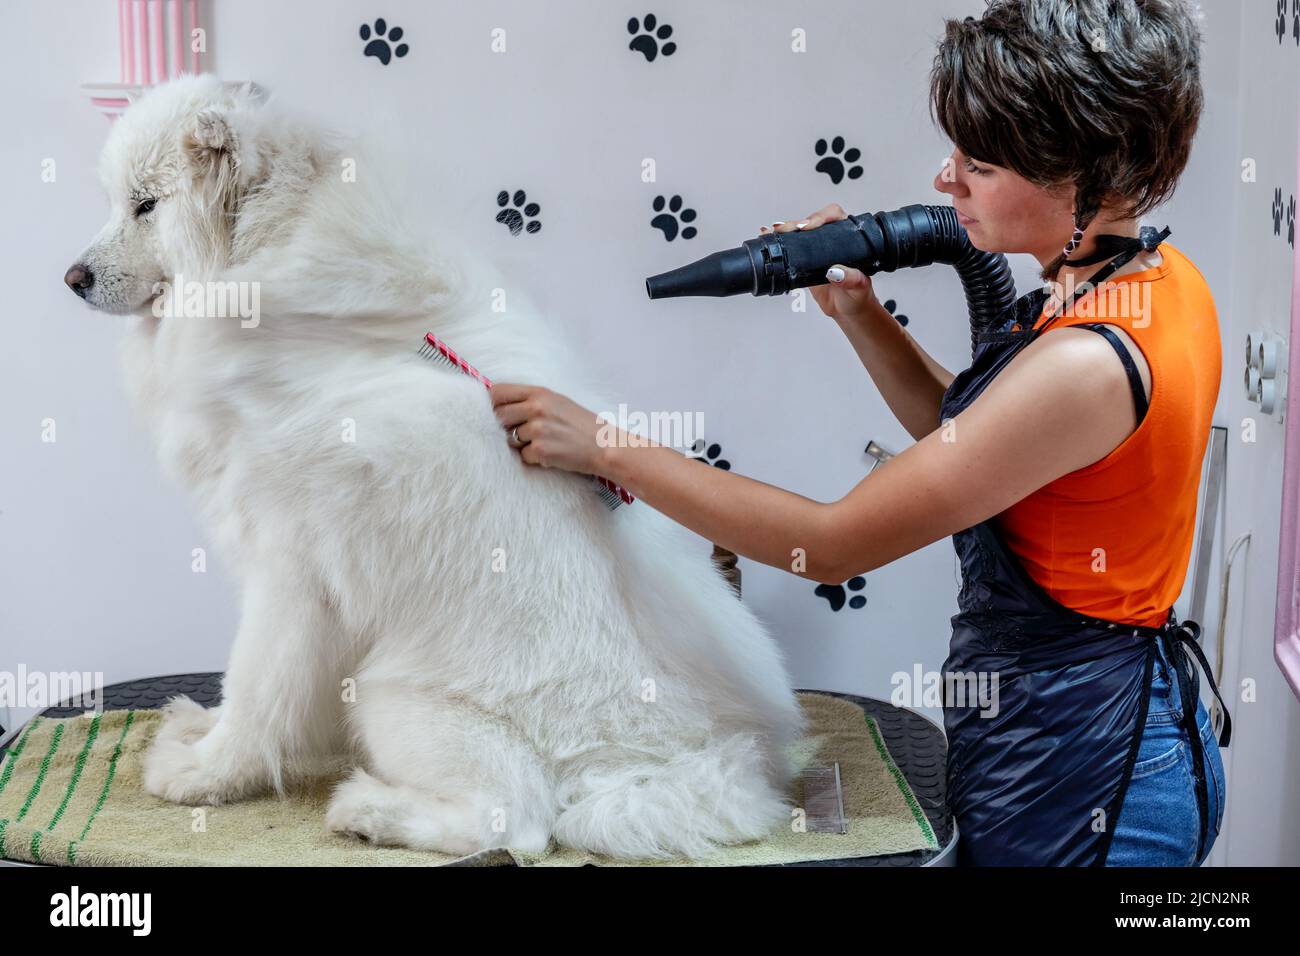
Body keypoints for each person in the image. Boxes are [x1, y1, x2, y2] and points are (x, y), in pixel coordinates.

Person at [488, 0, 1229, 866]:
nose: (946, 178)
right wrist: (859, 314)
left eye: (980, 164)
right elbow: (988, 446)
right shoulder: (1158, 281)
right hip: (1083, 728)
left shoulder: (1089, 364)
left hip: (1090, 770)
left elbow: (828, 547)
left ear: (1090, 184)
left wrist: (606, 446)